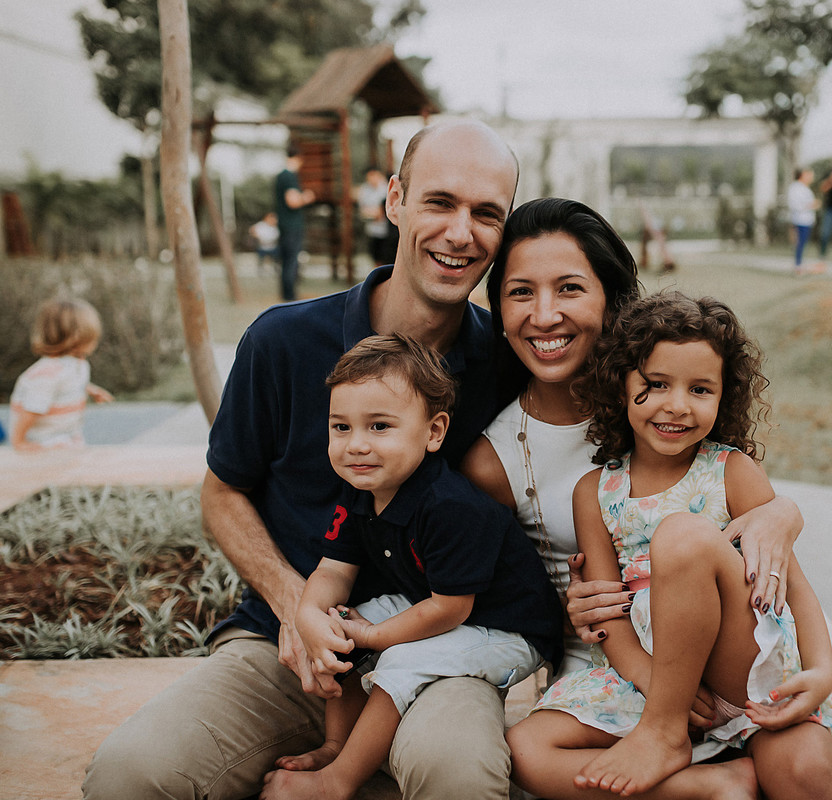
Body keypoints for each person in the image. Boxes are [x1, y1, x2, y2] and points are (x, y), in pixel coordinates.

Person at [83, 119, 523, 800]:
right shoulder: (284, 340)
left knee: (459, 777)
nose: (461, 232)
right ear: (396, 200)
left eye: (486, 213)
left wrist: (756, 511)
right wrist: (297, 607)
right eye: (440, 202)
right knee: (129, 775)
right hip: (281, 643)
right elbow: (222, 493)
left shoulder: (508, 360)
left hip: (435, 654)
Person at [460, 199, 808, 797]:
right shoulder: (495, 459)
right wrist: (571, 605)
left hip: (721, 644)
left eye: (569, 288)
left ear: (613, 301)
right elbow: (507, 592)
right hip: (613, 663)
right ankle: (710, 786)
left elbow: (732, 498)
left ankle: (677, 741)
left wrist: (785, 512)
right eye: (520, 292)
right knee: (526, 756)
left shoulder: (666, 408)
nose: (545, 315)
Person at [506, 292, 832, 800]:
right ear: (621, 385)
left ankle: (665, 737)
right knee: (527, 751)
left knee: (803, 773)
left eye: (700, 389)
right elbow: (609, 614)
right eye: (656, 384)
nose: (678, 405)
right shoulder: (595, 492)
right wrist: (652, 685)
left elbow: (793, 583)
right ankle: (714, 783)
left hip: (744, 673)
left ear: (723, 397)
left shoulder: (731, 471)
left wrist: (820, 673)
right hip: (656, 681)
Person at [262, 333, 562, 800]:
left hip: (507, 628)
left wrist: (377, 637)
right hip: (433, 602)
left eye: (379, 426)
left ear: (434, 432)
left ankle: (338, 782)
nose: (356, 445)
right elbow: (333, 571)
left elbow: (452, 609)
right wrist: (310, 618)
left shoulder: (449, 505)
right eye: (341, 427)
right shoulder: (362, 488)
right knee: (340, 621)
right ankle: (337, 747)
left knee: (401, 658)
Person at [9, 296, 113, 452]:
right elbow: (31, 409)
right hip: (43, 441)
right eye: (93, 336)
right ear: (76, 338)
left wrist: (91, 390)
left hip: (66, 434)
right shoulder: (46, 375)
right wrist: (19, 442)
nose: (97, 340)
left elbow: (72, 383)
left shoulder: (77, 362)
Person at [275, 143, 317, 302]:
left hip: (284, 224)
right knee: (291, 260)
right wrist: (306, 197)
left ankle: (286, 293)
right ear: (299, 159)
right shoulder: (289, 176)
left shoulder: (281, 176)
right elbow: (292, 201)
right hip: (292, 225)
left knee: (286, 260)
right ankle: (290, 296)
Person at [358, 168, 396, 266]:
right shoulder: (365, 190)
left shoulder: (386, 188)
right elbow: (363, 211)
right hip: (373, 230)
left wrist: (374, 212)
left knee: (388, 258)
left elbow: (381, 212)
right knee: (375, 257)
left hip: (388, 231)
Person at [786, 168, 818, 274]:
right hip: (800, 220)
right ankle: (797, 266)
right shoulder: (795, 188)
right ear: (802, 175)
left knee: (803, 244)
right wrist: (811, 205)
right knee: (799, 244)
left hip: (806, 220)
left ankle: (799, 264)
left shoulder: (804, 188)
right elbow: (795, 205)